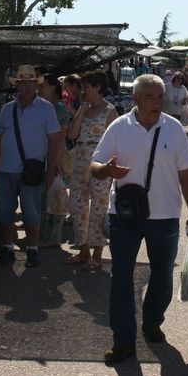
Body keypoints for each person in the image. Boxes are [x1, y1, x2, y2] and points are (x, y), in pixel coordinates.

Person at [90, 74, 188, 365]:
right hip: (124, 216)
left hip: (164, 216)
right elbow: (95, 164)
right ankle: (123, 340)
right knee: (121, 276)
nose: (156, 103)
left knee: (162, 274)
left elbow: (186, 174)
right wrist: (106, 170)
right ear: (135, 99)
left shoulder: (173, 128)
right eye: (149, 97)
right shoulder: (119, 127)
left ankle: (152, 321)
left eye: (159, 97)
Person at [0, 65, 61, 268]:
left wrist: (51, 170)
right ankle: (8, 248)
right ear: (17, 85)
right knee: (6, 211)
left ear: (36, 84)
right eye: (23, 83)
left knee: (31, 212)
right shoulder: (7, 109)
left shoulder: (46, 108)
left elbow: (55, 141)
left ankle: (32, 250)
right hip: (5, 170)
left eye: (30, 82)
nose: (27, 86)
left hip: (32, 171)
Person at [65, 70, 118, 269]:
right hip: (80, 161)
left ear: (97, 88)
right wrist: (81, 111)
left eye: (86, 87)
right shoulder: (83, 109)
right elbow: (71, 134)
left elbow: (115, 141)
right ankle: (83, 250)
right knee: (77, 205)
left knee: (99, 207)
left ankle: (97, 254)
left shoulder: (110, 111)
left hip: (100, 163)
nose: (83, 91)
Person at [37, 73, 69, 249]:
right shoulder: (39, 106)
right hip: (40, 158)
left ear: (53, 87)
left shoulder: (59, 109)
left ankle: (52, 237)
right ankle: (43, 235)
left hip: (54, 158)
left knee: (54, 197)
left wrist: (55, 161)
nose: (39, 88)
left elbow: (61, 138)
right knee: (43, 198)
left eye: (43, 85)